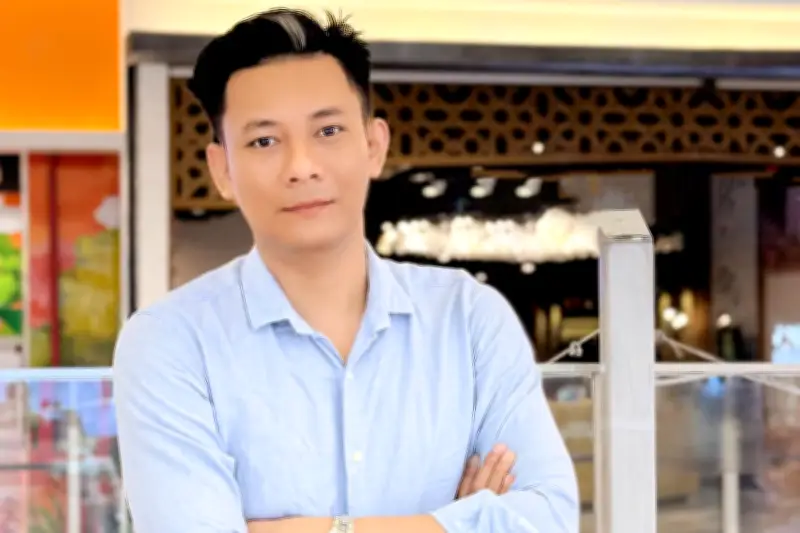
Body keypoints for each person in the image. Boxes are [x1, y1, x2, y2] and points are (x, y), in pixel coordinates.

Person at [113, 8, 578, 533]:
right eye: (264, 140)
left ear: (374, 146)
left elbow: (548, 519)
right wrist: (453, 522)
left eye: (328, 130)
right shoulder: (170, 342)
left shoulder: (468, 319)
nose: (301, 166)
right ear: (222, 170)